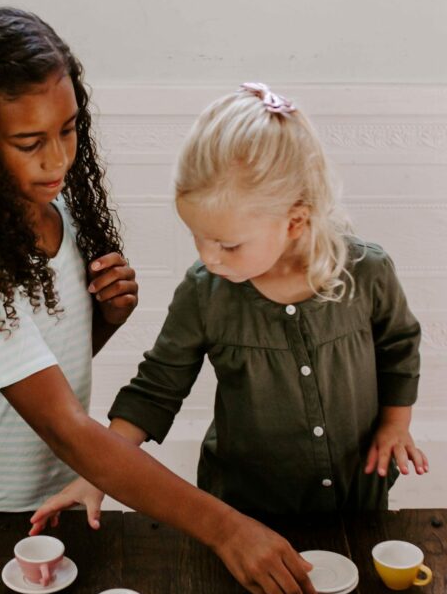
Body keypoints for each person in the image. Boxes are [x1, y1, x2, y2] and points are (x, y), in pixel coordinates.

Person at [0, 13, 317, 594]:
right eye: (29, 143)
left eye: (69, 130)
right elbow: (62, 425)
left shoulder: (62, 219)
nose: (57, 160)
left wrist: (102, 321)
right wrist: (227, 528)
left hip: (39, 513)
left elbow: (33, 374)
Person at [31, 83, 427, 549]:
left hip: (355, 497)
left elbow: (399, 345)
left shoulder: (368, 272)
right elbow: (157, 387)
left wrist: (395, 423)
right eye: (198, 237)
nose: (210, 257)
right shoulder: (206, 291)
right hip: (246, 511)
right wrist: (99, 474)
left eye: (228, 244)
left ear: (294, 221)